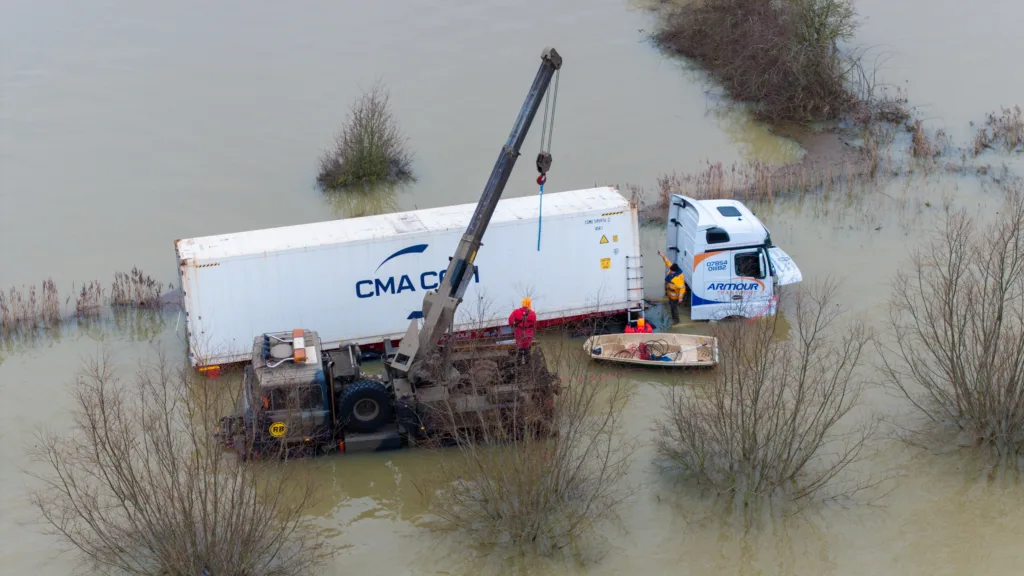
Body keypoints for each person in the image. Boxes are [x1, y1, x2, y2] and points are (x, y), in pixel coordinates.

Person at [657, 250, 687, 324]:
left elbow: (682, 288)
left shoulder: (678, 278)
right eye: (670, 270)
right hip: (670, 294)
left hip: (675, 297)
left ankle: (676, 320)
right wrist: (662, 255)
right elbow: (668, 262)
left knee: (674, 308)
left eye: (671, 271)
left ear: (675, 271)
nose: (669, 271)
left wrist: (680, 298)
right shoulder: (672, 269)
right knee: (671, 306)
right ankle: (674, 318)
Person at [508, 297, 537, 364]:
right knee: (527, 349)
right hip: (528, 333)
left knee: (520, 348)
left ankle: (519, 364)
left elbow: (510, 320)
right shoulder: (532, 313)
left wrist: (513, 326)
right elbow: (534, 324)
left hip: (519, 333)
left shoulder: (516, 311)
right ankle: (528, 364)